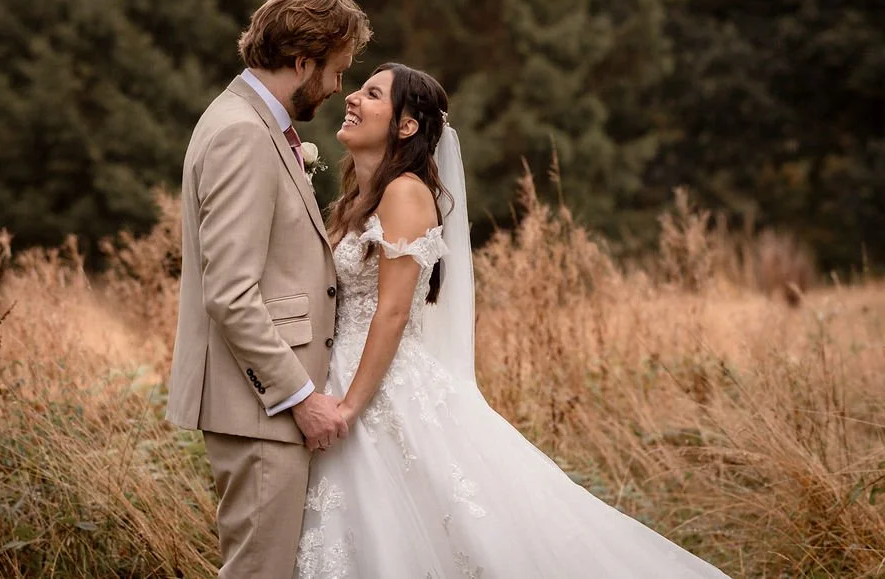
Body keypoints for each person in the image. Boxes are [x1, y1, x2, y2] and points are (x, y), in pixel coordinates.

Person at [294, 63, 731, 578]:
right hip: (340, 371)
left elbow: (391, 312)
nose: (352, 99)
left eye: (371, 94)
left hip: (375, 386)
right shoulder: (355, 201)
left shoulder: (404, 192)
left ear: (407, 125)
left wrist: (349, 408)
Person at [165, 0, 371, 579]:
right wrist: (300, 397)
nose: (337, 87)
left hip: (260, 407)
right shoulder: (241, 132)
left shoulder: (252, 121)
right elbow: (229, 292)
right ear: (303, 61)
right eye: (335, 70)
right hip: (260, 408)